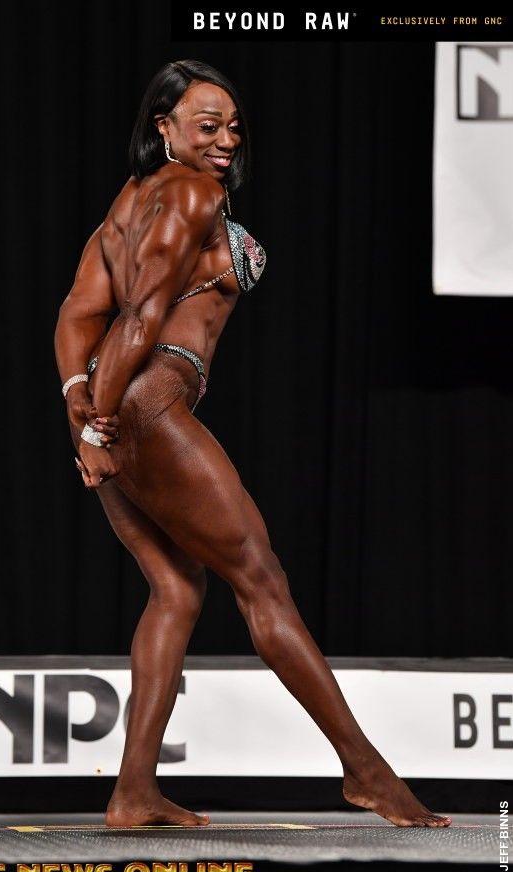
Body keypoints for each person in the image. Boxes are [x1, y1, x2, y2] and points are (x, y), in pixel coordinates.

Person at [54, 59, 452, 829]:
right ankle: (367, 773)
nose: (227, 139)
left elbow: (77, 312)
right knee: (262, 582)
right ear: (164, 127)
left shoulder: (130, 201)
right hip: (145, 400)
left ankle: (133, 792)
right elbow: (140, 315)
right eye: (208, 125)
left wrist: (80, 401)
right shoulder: (191, 194)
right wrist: (100, 426)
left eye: (234, 127)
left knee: (176, 589)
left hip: (110, 396)